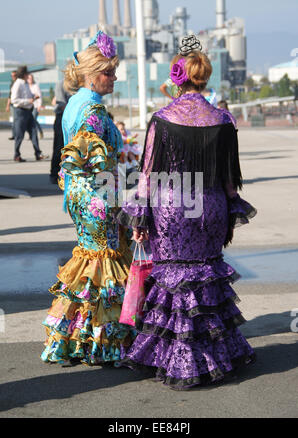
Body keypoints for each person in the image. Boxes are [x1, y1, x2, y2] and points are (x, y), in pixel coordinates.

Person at [117, 35, 257, 390]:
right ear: (205, 77)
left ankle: (173, 356)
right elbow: (229, 178)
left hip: (170, 209)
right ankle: (217, 354)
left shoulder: (162, 119)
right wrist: (230, 211)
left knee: (173, 277)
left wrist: (139, 218)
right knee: (205, 275)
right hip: (209, 206)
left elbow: (148, 172)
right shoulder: (223, 118)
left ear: (177, 77)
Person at [41, 30, 136, 366]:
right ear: (93, 75)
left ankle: (72, 338)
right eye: (109, 72)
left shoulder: (73, 104)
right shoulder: (92, 109)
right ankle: (104, 343)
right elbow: (92, 160)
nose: (114, 77)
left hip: (78, 194)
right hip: (97, 194)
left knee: (88, 264)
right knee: (104, 265)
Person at [10, 66, 46, 162]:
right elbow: (14, 100)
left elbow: (28, 96)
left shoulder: (25, 84)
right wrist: (28, 100)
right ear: (24, 75)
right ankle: (16, 155)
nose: (29, 75)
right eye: (27, 73)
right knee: (19, 135)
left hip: (28, 111)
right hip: (20, 111)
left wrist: (33, 97)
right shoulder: (17, 84)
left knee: (34, 132)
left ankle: (38, 153)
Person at [49, 81, 70, 184]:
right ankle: (54, 174)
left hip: (75, 118)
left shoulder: (81, 84)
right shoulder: (61, 84)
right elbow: (61, 104)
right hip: (63, 118)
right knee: (59, 147)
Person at [27, 73, 43, 139]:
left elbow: (39, 96)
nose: (30, 79)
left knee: (33, 120)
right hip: (28, 107)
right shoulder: (26, 86)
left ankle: (35, 134)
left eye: (31, 78)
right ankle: (33, 133)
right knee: (30, 120)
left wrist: (39, 105)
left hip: (35, 106)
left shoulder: (35, 86)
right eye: (28, 78)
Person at [5, 70, 17, 140]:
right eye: (12, 76)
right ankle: (14, 135)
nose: (13, 77)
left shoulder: (20, 83)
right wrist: (7, 105)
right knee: (14, 120)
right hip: (12, 104)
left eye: (14, 75)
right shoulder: (12, 84)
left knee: (19, 121)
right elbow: (10, 95)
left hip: (18, 105)